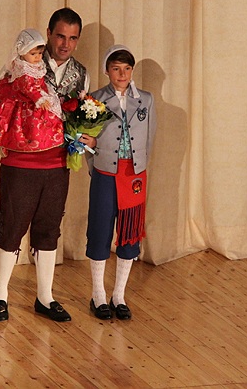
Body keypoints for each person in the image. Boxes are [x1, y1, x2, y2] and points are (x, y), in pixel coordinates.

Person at [0, 8, 90, 322]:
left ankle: (45, 297)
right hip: (21, 161)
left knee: (49, 229)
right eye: (60, 36)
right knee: (12, 226)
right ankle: (0, 295)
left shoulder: (81, 74)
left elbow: (80, 114)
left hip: (57, 163)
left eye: (72, 38)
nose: (65, 44)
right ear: (48, 33)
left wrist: (86, 132)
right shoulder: (22, 63)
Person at [83, 45, 157, 320]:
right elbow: (87, 139)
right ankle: (98, 295)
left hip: (133, 175)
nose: (122, 74)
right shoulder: (96, 99)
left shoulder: (146, 100)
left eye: (127, 69)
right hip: (105, 173)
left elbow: (150, 136)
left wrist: (140, 166)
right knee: (100, 229)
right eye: (116, 69)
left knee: (129, 233)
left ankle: (119, 296)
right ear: (107, 71)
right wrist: (97, 165)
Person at [0, 28, 63, 155]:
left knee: (48, 115)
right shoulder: (22, 68)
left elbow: (39, 81)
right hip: (24, 99)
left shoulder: (36, 65)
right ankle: (13, 144)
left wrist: (46, 92)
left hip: (37, 94)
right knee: (22, 124)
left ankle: (44, 143)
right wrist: (38, 98)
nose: (37, 57)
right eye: (33, 54)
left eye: (40, 53)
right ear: (23, 52)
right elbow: (27, 86)